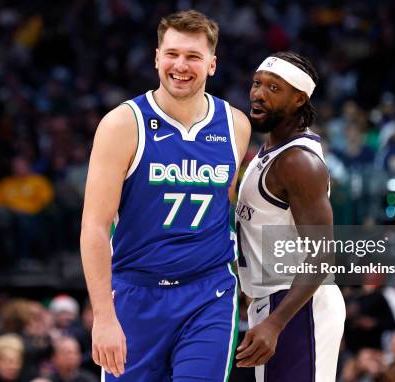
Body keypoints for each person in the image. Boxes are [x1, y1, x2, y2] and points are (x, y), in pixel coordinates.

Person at [80, 9, 250, 382]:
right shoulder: (122, 124)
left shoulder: (236, 125)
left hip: (209, 294)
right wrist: (103, 318)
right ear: (157, 57)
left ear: (212, 64)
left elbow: (229, 210)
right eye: (172, 54)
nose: (181, 65)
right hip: (136, 294)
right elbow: (94, 227)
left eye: (193, 56)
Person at [234, 52, 346, 381]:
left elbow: (323, 255)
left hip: (298, 306)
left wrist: (276, 322)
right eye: (256, 84)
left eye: (273, 87)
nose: (258, 93)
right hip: (274, 302)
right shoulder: (267, 153)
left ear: (299, 99)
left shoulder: (298, 162)